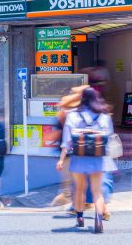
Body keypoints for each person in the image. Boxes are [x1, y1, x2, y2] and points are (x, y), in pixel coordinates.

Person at [56, 87, 113, 233]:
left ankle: (80, 218)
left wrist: (61, 160)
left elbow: (67, 142)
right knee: (97, 191)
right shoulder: (104, 116)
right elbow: (109, 137)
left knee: (80, 190)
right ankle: (99, 220)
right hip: (98, 159)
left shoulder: (73, 116)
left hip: (79, 158)